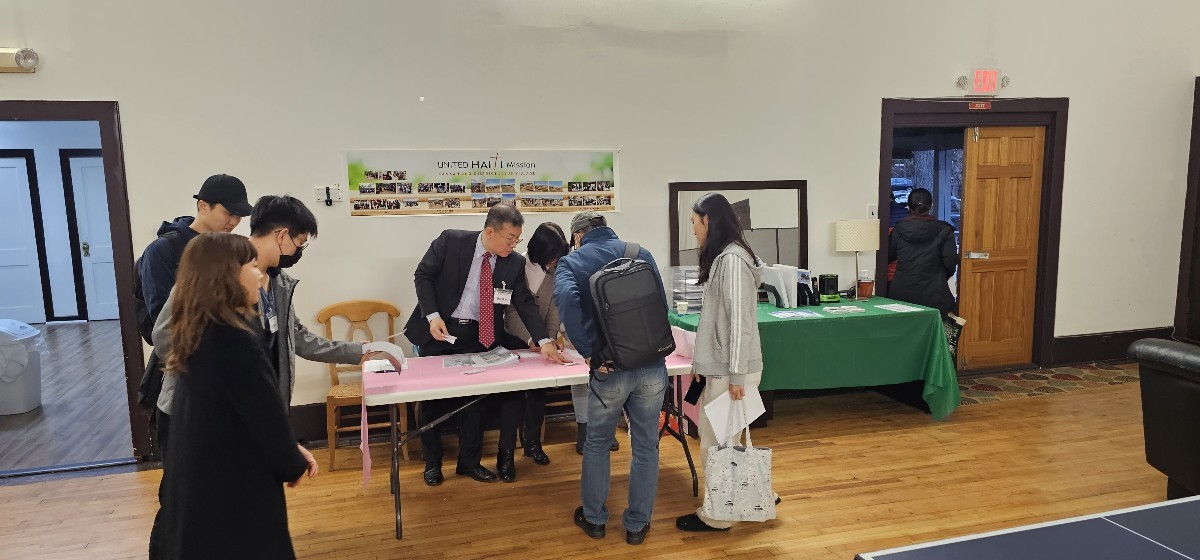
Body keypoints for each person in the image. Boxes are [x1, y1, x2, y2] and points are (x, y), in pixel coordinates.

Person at [148, 233, 317, 560]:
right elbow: (264, 413)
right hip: (231, 488)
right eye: (252, 266)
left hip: (201, 482)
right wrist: (291, 462)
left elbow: (239, 411)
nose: (259, 275)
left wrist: (289, 449)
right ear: (228, 276)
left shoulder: (199, 329)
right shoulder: (233, 339)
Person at [153, 195, 366, 426]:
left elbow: (297, 337)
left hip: (250, 410)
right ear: (282, 235)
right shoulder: (216, 267)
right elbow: (165, 336)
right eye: (300, 243)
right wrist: (215, 382)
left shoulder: (279, 282)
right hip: (199, 413)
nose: (299, 251)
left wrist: (360, 352)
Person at [403, 203, 568, 486]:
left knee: (473, 402)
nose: (514, 245)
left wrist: (544, 341)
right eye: (510, 238)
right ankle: (432, 462)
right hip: (440, 330)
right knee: (431, 401)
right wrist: (432, 315)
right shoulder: (451, 241)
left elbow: (524, 303)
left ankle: (469, 462)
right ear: (490, 232)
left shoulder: (512, 262)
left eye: (518, 239)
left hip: (477, 335)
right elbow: (423, 275)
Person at [555, 210, 667, 546]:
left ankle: (594, 519)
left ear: (578, 236)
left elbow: (566, 301)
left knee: (598, 443)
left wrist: (589, 351)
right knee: (646, 445)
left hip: (608, 369)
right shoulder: (640, 253)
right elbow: (660, 304)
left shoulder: (571, 263)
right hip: (650, 365)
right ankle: (637, 525)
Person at [136, 173, 251, 458]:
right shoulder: (163, 250)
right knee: (183, 472)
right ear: (203, 206)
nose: (234, 222)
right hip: (181, 378)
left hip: (222, 380)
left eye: (239, 216)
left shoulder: (228, 250)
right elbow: (162, 324)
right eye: (228, 213)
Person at [675, 193, 767, 533]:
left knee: (717, 444)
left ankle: (718, 516)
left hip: (731, 371)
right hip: (726, 367)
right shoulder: (727, 257)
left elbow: (739, 323)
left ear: (708, 220)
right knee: (730, 440)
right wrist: (703, 360)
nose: (694, 230)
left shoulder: (731, 260)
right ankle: (757, 495)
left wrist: (736, 375)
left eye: (695, 223)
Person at [500, 222, 570, 467]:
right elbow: (511, 313)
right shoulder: (515, 265)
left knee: (539, 395)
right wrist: (532, 339)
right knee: (512, 400)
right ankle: (506, 453)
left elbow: (554, 310)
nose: (554, 261)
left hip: (542, 345)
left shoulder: (556, 270)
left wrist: (547, 339)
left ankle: (533, 444)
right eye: (551, 256)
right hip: (514, 339)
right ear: (538, 250)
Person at [887, 187, 959, 317]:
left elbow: (889, 256)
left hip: (902, 291)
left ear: (908, 207)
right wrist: (940, 276)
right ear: (930, 206)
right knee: (935, 328)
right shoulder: (944, 230)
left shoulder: (899, 228)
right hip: (935, 292)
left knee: (903, 328)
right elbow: (950, 260)